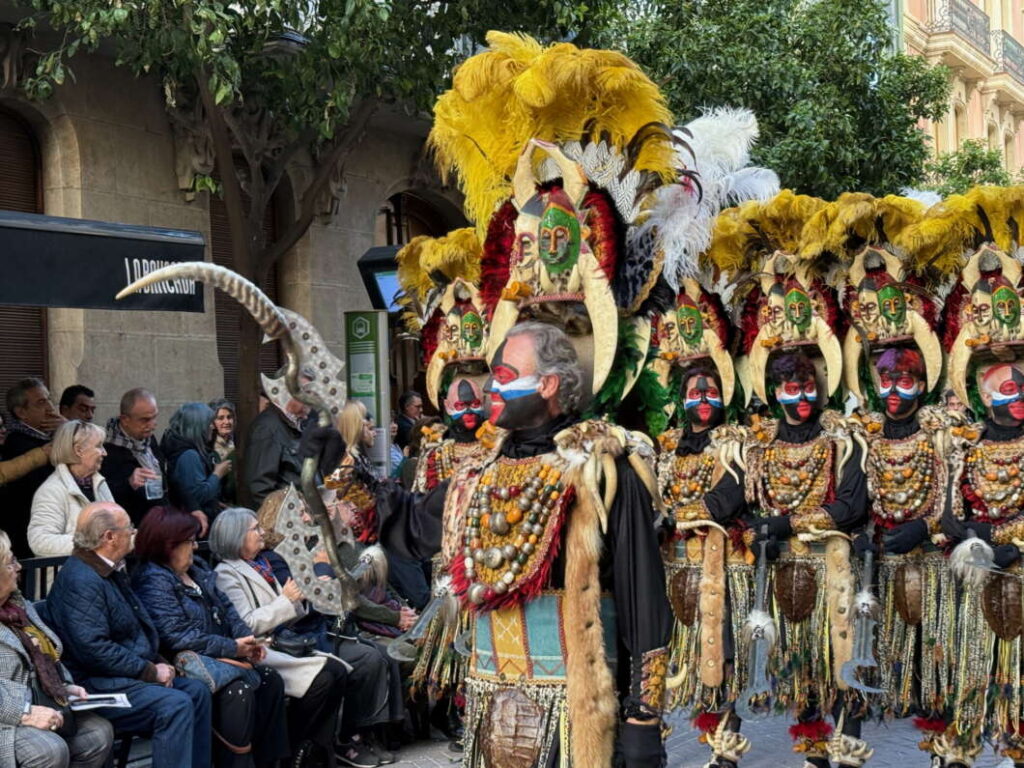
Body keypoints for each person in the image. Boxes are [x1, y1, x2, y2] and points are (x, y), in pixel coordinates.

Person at [375, 322, 672, 767]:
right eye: (494, 375)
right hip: (495, 702)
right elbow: (413, 527)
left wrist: (643, 718)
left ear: (549, 384)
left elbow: (643, 596)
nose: (491, 386)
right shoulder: (480, 471)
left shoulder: (604, 469)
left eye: (506, 376)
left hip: (576, 710)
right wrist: (350, 476)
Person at [43, 503, 213, 768]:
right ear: (109, 537)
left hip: (123, 675)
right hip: (96, 684)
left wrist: (160, 662)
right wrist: (150, 670)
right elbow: (95, 650)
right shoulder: (81, 579)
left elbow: (137, 630)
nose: (133, 533)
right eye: (129, 528)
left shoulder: (108, 570)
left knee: (197, 691)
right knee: (176, 705)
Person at [210, 507, 383, 768]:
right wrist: (287, 601)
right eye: (254, 529)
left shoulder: (260, 564)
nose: (261, 533)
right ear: (235, 537)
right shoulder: (227, 573)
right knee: (324, 679)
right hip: (259, 649)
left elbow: (286, 610)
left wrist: (297, 601)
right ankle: (296, 749)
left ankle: (312, 751)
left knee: (337, 673)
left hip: (282, 643)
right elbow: (247, 623)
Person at [130, 507, 290, 767]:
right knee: (237, 693)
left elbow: (227, 609)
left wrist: (246, 641)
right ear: (168, 545)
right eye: (189, 542)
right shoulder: (153, 580)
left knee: (271, 680)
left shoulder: (197, 569)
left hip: (222, 656)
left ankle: (267, 761)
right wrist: (232, 648)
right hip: (190, 663)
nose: (194, 548)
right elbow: (176, 636)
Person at [0, 528, 114, 768]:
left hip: (38, 699)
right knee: (48, 750)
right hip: (6, 715)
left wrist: (62, 687)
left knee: (97, 734)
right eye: (10, 562)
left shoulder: (18, 605)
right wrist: (25, 712)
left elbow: (45, 657)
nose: (19, 567)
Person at [28, 421, 114, 557]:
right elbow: (40, 542)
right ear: (79, 450)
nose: (105, 453)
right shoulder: (51, 490)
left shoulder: (99, 483)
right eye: (99, 446)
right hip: (67, 576)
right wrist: (96, 543)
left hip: (100, 573)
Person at [1, 378, 65, 556]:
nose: (51, 408)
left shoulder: (50, 437)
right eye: (41, 402)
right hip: (29, 539)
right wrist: (66, 434)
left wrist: (66, 430)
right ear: (22, 412)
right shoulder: (17, 442)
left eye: (49, 399)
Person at [245, 371, 312, 508]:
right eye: (307, 392)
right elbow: (261, 489)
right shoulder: (267, 428)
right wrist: (289, 518)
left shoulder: (296, 424)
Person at [161, 402, 231, 535]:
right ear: (198, 427)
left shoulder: (179, 448)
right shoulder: (189, 456)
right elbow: (197, 496)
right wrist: (217, 474)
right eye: (209, 423)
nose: (212, 427)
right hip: (197, 525)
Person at [101, 388, 166, 525]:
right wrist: (129, 483)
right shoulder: (106, 450)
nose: (152, 425)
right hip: (130, 526)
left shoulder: (149, 439)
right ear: (125, 420)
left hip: (159, 519)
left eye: (154, 417)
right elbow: (102, 495)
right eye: (145, 420)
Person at [209, 399, 237, 505]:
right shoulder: (208, 447)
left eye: (229, 417)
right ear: (212, 422)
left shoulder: (238, 442)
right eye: (220, 418)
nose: (227, 422)